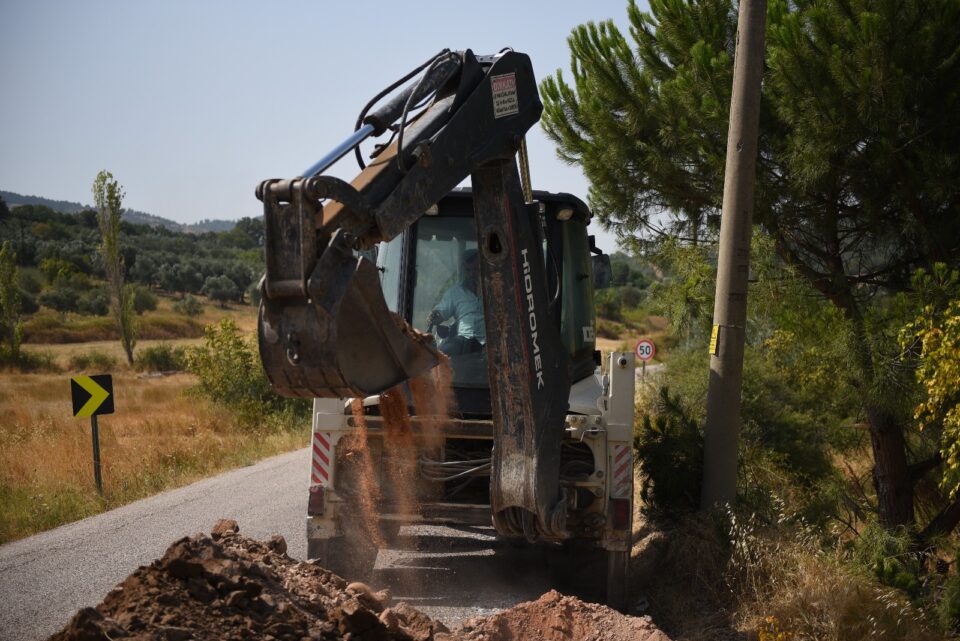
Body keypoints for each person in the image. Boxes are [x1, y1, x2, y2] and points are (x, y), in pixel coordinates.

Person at [427, 249, 484, 355]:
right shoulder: (455, 292)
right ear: (463, 270)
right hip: (464, 339)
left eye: (476, 269)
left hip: (490, 339)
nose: (472, 274)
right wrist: (435, 315)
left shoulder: (495, 288)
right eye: (468, 270)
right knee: (440, 355)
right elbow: (441, 313)